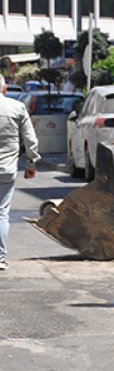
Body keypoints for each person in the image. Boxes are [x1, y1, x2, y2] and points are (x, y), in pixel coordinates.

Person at [0, 75, 39, 271]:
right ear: (4, 88)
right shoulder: (17, 107)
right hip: (6, 169)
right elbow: (30, 139)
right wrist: (31, 164)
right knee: (1, 213)